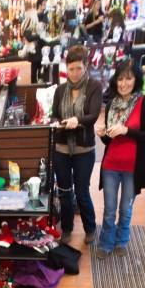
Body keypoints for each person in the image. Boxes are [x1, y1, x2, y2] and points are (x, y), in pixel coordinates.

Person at [94, 58, 145, 259]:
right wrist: (103, 134)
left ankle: (122, 240)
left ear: (136, 80)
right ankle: (105, 243)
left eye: (128, 79)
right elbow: (109, 142)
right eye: (120, 79)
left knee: (125, 209)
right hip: (110, 165)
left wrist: (127, 130)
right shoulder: (112, 103)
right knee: (109, 209)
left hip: (133, 167)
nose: (123, 84)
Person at [51, 44, 103, 246]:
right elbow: (55, 113)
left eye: (78, 69)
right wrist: (57, 121)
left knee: (81, 191)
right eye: (71, 69)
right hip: (61, 149)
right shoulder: (61, 89)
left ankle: (90, 228)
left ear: (86, 66)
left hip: (84, 150)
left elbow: (93, 114)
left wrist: (77, 120)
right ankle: (66, 228)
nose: (74, 73)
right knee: (64, 191)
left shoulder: (94, 86)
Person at [21, 8, 46, 85]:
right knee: (34, 71)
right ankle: (33, 86)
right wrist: (38, 36)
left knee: (40, 70)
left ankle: (39, 84)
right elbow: (29, 38)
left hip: (39, 51)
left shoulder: (36, 25)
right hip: (34, 53)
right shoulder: (28, 28)